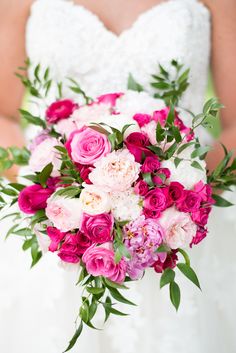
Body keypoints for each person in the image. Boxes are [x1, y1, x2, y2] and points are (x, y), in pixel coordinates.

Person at [0, 0, 236, 352]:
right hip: (55, 233)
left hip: (179, 230)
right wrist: (55, 187)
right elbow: (2, 115)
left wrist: (179, 189)